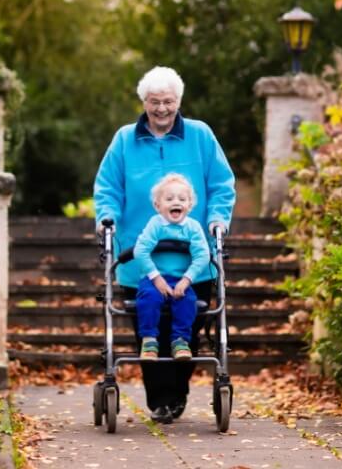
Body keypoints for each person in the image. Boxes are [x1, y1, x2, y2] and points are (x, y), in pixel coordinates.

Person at [94, 65, 235, 424]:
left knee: (187, 325)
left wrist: (218, 218)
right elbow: (108, 186)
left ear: (179, 101)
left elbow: (221, 183)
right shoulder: (125, 140)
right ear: (143, 102)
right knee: (148, 328)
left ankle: (177, 393)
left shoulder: (200, 136)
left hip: (193, 258)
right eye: (154, 102)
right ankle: (160, 399)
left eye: (168, 102)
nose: (161, 110)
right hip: (139, 259)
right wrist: (106, 217)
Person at [134, 173, 210, 362]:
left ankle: (180, 340)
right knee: (149, 298)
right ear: (157, 206)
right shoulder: (155, 224)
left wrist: (186, 280)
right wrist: (156, 278)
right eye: (169, 199)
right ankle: (149, 340)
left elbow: (203, 255)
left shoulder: (192, 227)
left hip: (180, 279)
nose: (176, 202)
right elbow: (140, 250)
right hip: (154, 279)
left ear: (189, 205)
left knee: (187, 300)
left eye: (182, 199)